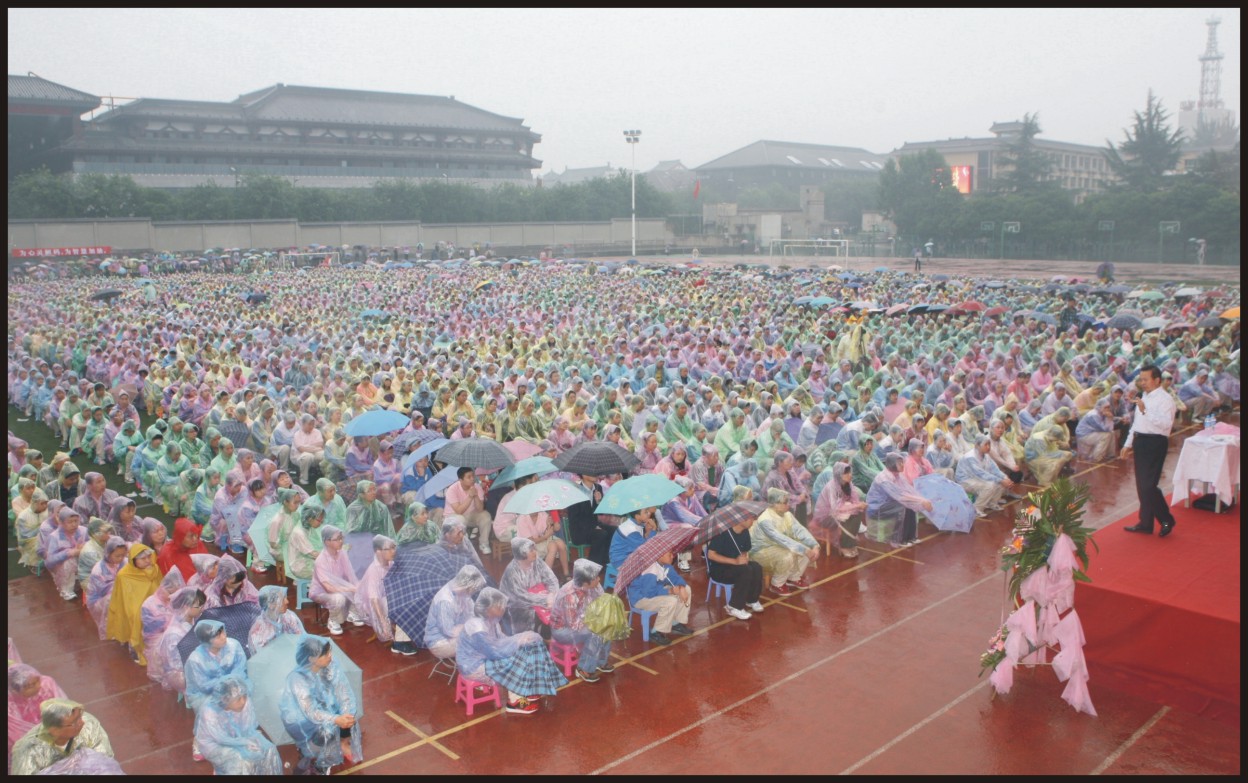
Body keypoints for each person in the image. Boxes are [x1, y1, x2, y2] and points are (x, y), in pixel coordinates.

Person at [456, 587, 567, 715]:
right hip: (473, 667)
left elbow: (502, 640)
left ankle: (526, 690)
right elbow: (494, 652)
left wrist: (518, 642)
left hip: (483, 660)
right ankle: (514, 702)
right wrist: (518, 642)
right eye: (499, 606)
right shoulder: (477, 626)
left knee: (522, 653)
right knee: (514, 663)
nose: (503, 608)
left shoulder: (491, 621)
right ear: (489, 607)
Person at [280, 635, 362, 774]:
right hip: (302, 720)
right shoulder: (297, 679)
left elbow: (343, 690)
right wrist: (336, 719)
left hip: (322, 707)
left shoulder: (330, 664)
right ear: (312, 659)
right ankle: (311, 755)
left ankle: (342, 743)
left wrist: (346, 714)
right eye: (325, 654)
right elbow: (310, 712)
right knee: (327, 730)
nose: (330, 656)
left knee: (346, 714)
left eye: (330, 652)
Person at [1121, 365, 1178, 537]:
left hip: (1155, 443)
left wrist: (1145, 410)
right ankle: (1146, 522)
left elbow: (1166, 424)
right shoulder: (1143, 396)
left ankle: (1166, 518)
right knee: (1141, 485)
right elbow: (1137, 424)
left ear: (1157, 380)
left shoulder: (1165, 399)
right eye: (1141, 379)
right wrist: (1127, 444)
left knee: (1148, 486)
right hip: (1141, 441)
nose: (1142, 383)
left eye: (1145, 379)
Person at [194, 677, 282, 775]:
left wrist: (251, 740)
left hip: (238, 737)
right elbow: (221, 739)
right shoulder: (209, 712)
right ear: (225, 700)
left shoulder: (244, 703)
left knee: (268, 748)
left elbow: (248, 726)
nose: (243, 701)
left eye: (244, 696)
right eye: (239, 699)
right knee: (239, 760)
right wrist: (244, 742)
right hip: (214, 744)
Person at [10, 699, 114, 776]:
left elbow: (104, 760)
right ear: (54, 730)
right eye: (74, 722)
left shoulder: (89, 725)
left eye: (80, 717)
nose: (81, 723)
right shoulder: (27, 750)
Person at [551, 559, 615, 683]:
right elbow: (574, 624)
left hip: (583, 620)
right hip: (563, 629)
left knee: (607, 626)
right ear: (586, 582)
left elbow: (601, 600)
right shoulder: (570, 595)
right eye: (596, 578)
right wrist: (596, 621)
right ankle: (583, 668)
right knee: (595, 632)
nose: (599, 579)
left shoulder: (592, 585)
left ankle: (600, 661)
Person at [751, 487, 820, 596]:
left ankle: (794, 577)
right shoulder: (765, 519)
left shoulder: (787, 515)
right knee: (789, 554)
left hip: (778, 546)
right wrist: (804, 549)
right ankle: (777, 584)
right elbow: (780, 538)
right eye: (785, 502)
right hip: (761, 550)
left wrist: (814, 545)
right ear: (775, 504)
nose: (788, 504)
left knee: (807, 548)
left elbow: (799, 530)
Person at [106, 542, 164, 665]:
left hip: (154, 603)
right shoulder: (124, 575)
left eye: (149, 557)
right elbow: (125, 599)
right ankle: (134, 646)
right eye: (143, 558)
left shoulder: (155, 569)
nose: (148, 561)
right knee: (137, 618)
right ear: (133, 560)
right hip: (135, 606)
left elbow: (160, 587)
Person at [866, 452, 933, 549]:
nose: (903, 465)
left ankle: (910, 537)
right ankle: (897, 539)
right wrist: (921, 502)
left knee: (910, 505)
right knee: (903, 505)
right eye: (899, 463)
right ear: (892, 464)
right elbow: (900, 495)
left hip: (890, 502)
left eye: (902, 462)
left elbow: (908, 490)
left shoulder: (898, 475)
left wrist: (922, 500)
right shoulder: (884, 479)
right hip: (878, 507)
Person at [626, 548, 693, 645]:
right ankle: (655, 632)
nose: (672, 556)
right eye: (669, 554)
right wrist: (670, 591)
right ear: (660, 555)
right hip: (640, 599)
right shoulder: (650, 570)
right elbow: (648, 593)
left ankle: (675, 622)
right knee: (670, 601)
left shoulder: (666, 565)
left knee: (687, 589)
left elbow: (676, 578)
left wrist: (681, 587)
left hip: (652, 592)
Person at [148, 587, 207, 694]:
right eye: (199, 606)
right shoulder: (174, 633)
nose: (202, 608)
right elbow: (175, 664)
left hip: (192, 661)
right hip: (179, 673)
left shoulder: (192, 620)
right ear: (186, 606)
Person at [423, 564, 488, 659]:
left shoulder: (462, 593)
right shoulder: (445, 601)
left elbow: (472, 613)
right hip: (440, 643)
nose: (473, 592)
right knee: (480, 645)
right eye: (472, 590)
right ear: (466, 587)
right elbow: (448, 631)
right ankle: (474, 670)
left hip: (455, 635)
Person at [7, 664, 68, 763]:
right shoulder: (10, 703)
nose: (37, 686)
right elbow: (16, 734)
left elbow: (62, 707)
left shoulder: (47, 684)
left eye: (37, 681)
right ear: (15, 689)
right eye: (28, 686)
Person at [311, 524, 363, 635]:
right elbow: (328, 588)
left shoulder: (342, 554)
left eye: (341, 538)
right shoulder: (321, 561)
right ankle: (332, 620)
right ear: (327, 542)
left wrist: (357, 586)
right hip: (321, 592)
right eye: (337, 539)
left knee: (358, 586)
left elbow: (350, 574)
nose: (341, 541)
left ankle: (352, 613)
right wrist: (351, 588)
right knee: (339, 598)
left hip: (338, 586)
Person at [811, 460, 867, 558]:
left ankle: (850, 543)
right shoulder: (831, 486)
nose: (850, 475)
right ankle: (844, 545)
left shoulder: (848, 484)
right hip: (826, 516)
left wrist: (859, 505)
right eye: (846, 473)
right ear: (838, 474)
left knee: (857, 513)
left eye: (850, 472)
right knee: (849, 517)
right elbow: (835, 508)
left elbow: (854, 499)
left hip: (839, 511)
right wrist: (856, 506)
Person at [353, 534, 398, 644]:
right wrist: (383, 623)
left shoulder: (391, 564)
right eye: (389, 549)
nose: (393, 551)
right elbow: (374, 600)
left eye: (394, 547)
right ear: (378, 551)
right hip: (370, 604)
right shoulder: (374, 571)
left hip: (384, 598)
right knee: (389, 602)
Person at [956, 435, 1015, 517]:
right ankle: (976, 509)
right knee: (990, 485)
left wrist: (1005, 478)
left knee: (1000, 482)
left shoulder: (986, 456)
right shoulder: (970, 457)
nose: (988, 447)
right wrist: (1001, 480)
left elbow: (995, 470)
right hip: (965, 481)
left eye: (989, 444)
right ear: (977, 445)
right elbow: (981, 474)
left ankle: (992, 503)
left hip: (977, 479)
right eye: (986, 445)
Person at [84, 536, 127, 640]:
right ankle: (111, 628)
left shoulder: (125, 562)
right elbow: (103, 590)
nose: (121, 558)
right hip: (100, 600)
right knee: (111, 599)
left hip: (121, 593)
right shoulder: (98, 569)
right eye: (117, 556)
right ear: (108, 554)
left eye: (123, 555)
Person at [247, 584, 306, 655]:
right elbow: (262, 659)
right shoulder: (258, 630)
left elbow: (301, 638)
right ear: (270, 605)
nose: (287, 601)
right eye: (282, 599)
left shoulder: (289, 616)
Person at [446, 466, 492, 555]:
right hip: (453, 516)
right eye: (469, 477)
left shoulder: (477, 487)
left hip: (470, 515)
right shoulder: (452, 490)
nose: (472, 479)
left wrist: (475, 496)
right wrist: (470, 497)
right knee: (460, 518)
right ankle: (461, 545)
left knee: (485, 515)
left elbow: (480, 509)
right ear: (461, 479)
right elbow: (459, 511)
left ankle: (484, 544)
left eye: (473, 476)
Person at [158, 516, 207, 581]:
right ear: (180, 536)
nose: (195, 539)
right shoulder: (167, 553)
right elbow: (170, 582)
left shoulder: (198, 544)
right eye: (191, 536)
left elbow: (208, 565)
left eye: (196, 534)